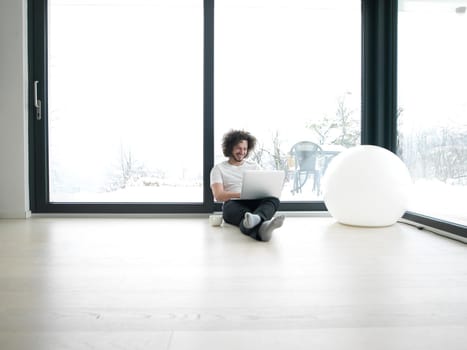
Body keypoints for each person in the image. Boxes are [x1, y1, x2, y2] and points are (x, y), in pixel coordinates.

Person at [210, 129, 285, 242]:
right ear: (230, 148)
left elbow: (264, 185)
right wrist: (241, 194)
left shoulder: (254, 166)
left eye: (245, 148)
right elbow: (219, 195)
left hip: (254, 202)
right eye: (239, 148)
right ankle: (262, 225)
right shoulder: (218, 168)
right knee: (237, 212)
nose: (242, 152)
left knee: (273, 200)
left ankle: (256, 219)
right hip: (234, 203)